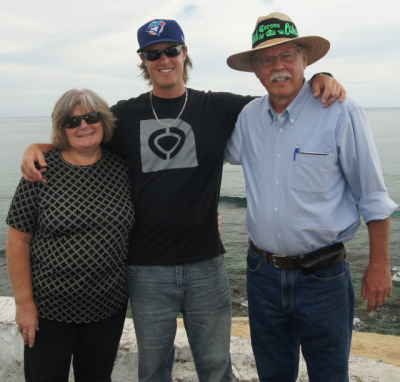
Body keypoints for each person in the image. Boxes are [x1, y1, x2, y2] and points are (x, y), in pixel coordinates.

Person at [20, 19, 346, 382]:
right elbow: (82, 135)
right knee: (153, 370)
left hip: (206, 265)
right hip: (146, 270)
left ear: (184, 53)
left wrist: (321, 78)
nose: (164, 59)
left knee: (215, 367)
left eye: (171, 50)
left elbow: (281, 97)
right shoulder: (125, 115)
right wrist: (41, 147)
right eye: (153, 54)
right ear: (142, 61)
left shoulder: (218, 107)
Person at [225, 12, 398, 382]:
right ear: (256, 69)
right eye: (268, 59)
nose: (279, 66)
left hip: (324, 277)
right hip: (262, 275)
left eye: (288, 56)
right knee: (273, 373)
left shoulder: (339, 111)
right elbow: (207, 147)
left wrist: (379, 265)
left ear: (306, 60)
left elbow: (372, 195)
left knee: (330, 374)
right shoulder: (248, 119)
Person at [6, 89, 135, 382]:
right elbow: (17, 240)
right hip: (48, 312)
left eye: (90, 118)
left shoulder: (122, 167)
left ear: (103, 121)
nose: (83, 126)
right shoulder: (41, 170)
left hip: (107, 308)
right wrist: (24, 304)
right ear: (61, 128)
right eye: (71, 121)